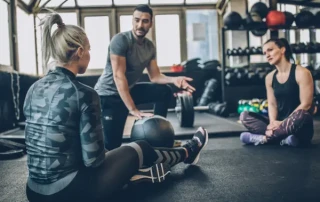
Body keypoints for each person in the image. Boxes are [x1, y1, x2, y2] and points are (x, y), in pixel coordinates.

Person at [23, 12, 208, 202]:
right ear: (79, 52)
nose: (89, 54)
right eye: (88, 49)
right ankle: (188, 152)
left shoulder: (32, 89)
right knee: (139, 148)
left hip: (34, 192)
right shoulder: (84, 94)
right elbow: (94, 161)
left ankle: (142, 171)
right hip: (69, 193)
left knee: (116, 153)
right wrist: (133, 112)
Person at [94, 4, 196, 150]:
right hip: (109, 96)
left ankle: (159, 133)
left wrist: (174, 80)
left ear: (151, 23)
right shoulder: (121, 40)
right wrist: (133, 109)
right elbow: (118, 76)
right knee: (112, 146)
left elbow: (155, 76)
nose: (140, 25)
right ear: (132, 21)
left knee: (164, 91)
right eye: (137, 20)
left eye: (145, 21)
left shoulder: (149, 47)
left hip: (127, 91)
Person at [239, 38, 314, 147]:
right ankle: (284, 139)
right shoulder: (269, 77)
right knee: (244, 116)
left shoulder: (302, 73)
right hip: (278, 125)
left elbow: (306, 104)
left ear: (282, 50)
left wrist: (282, 123)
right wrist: (272, 122)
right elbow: (272, 104)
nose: (267, 55)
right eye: (265, 53)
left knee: (302, 114)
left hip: (299, 125)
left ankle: (264, 139)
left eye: (270, 50)